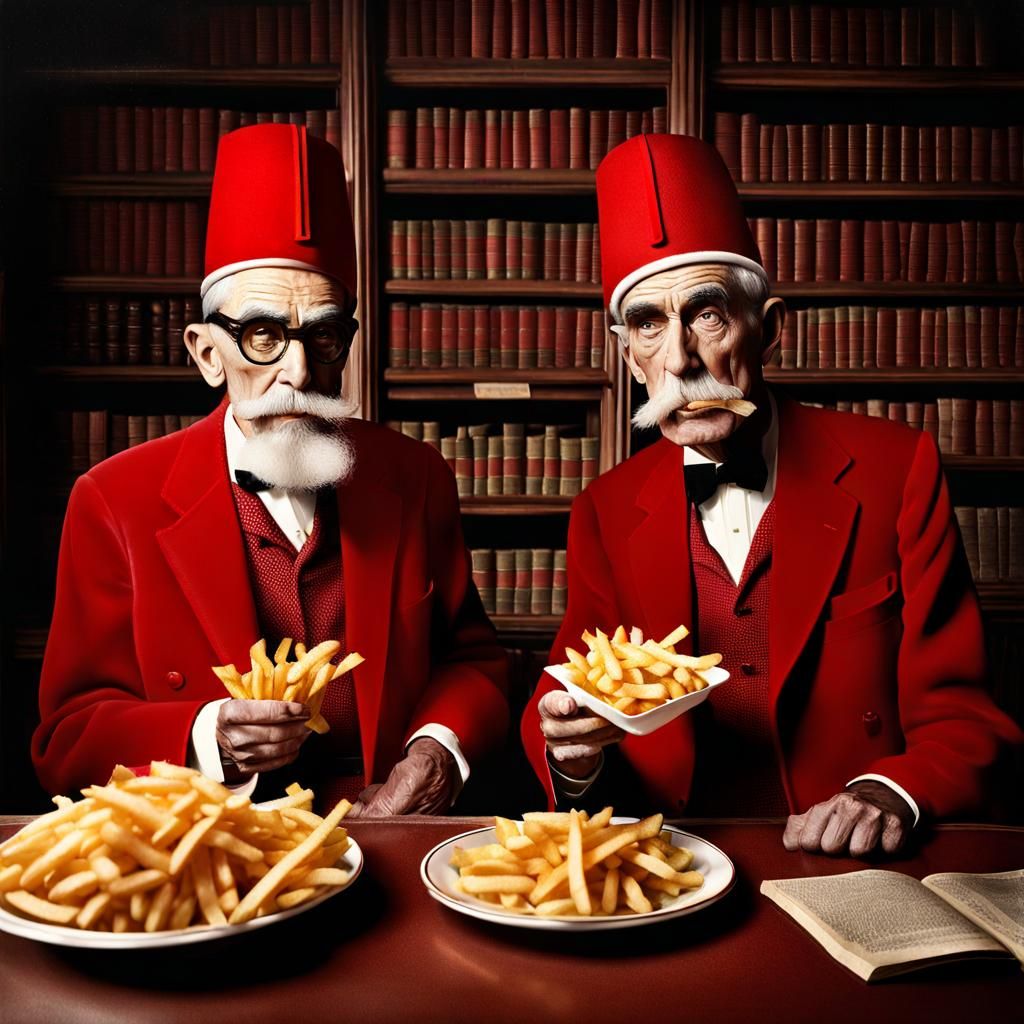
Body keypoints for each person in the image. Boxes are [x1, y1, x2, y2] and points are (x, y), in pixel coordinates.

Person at [522, 133, 1020, 856]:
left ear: (770, 328)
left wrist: (892, 790)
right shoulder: (603, 509)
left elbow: (966, 717)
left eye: (709, 314)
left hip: (849, 863)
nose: (683, 360)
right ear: (630, 358)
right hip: (678, 861)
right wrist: (574, 757)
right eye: (649, 325)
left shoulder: (894, 467)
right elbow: (565, 700)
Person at [34, 123, 508, 815]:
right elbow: (65, 736)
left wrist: (438, 748)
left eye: (322, 335)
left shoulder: (416, 476)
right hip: (210, 842)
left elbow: (473, 661)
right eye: (261, 335)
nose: (297, 370)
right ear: (205, 353)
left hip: (382, 828)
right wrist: (206, 738)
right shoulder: (112, 499)